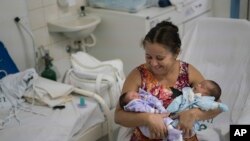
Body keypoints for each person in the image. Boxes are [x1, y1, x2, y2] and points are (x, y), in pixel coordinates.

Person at [114, 20, 222, 141]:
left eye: (160, 58)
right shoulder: (138, 75)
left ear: (176, 53)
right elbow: (118, 116)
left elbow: (218, 105)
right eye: (148, 57)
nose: (153, 63)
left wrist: (194, 114)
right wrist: (147, 118)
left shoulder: (187, 72)